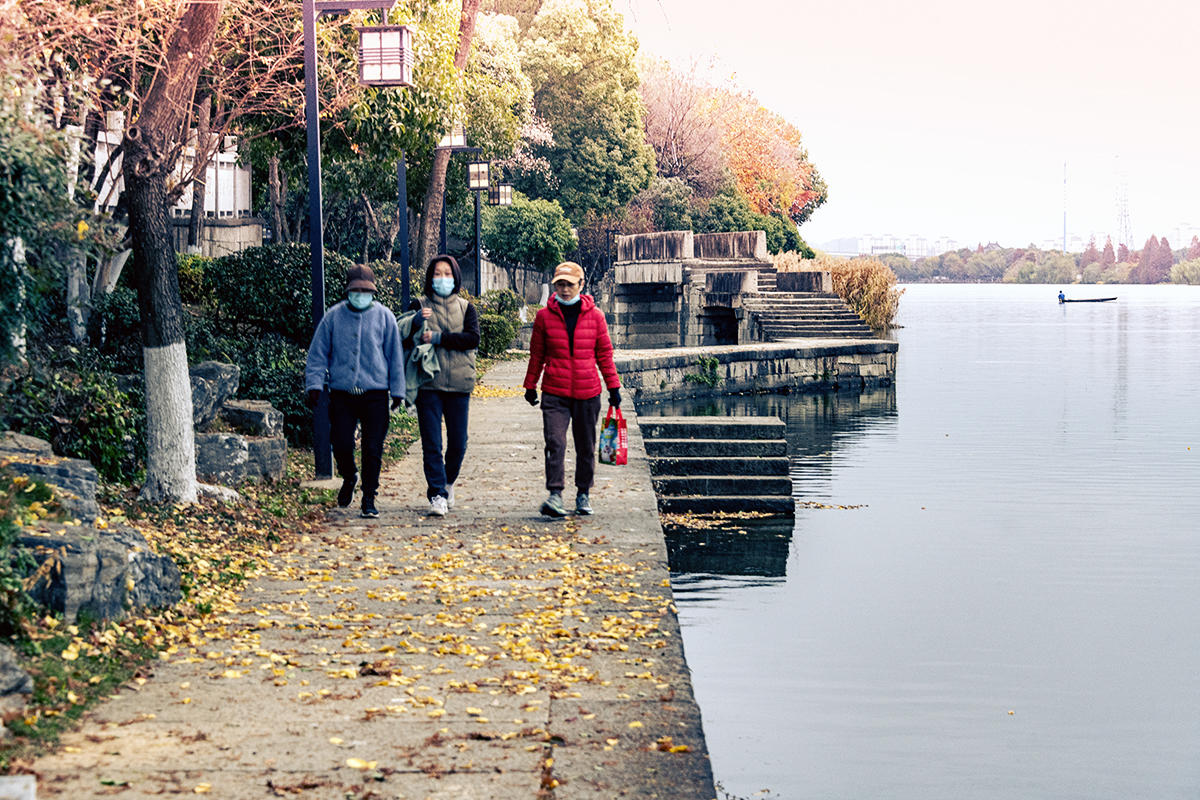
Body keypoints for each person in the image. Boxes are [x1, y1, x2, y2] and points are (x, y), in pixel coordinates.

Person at [305, 264, 405, 519]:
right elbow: (318, 353)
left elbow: (395, 356)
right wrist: (314, 384)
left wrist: (398, 391)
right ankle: (349, 476)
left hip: (375, 393)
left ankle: (369, 497)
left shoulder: (385, 317)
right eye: (356, 291)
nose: (360, 295)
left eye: (365, 291)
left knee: (372, 448)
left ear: (373, 292)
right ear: (348, 291)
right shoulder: (333, 316)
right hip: (342, 394)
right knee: (340, 443)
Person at [523, 261, 621, 517]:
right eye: (560, 285)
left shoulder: (596, 317)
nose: (565, 290)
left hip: (587, 392)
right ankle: (555, 494)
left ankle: (583, 493)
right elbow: (537, 354)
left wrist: (613, 387)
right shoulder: (544, 317)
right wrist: (530, 385)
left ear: (581, 284)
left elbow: (604, 355)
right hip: (555, 391)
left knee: (586, 446)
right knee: (555, 442)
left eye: (570, 284)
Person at [406, 255, 479, 517]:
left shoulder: (466, 308)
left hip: (460, 383)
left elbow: (472, 339)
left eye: (447, 274)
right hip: (428, 383)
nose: (442, 278)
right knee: (432, 444)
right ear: (430, 278)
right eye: (437, 273)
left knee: (459, 444)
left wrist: (438, 338)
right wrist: (415, 321)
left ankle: (447, 483)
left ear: (455, 277)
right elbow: (403, 336)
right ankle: (437, 494)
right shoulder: (419, 305)